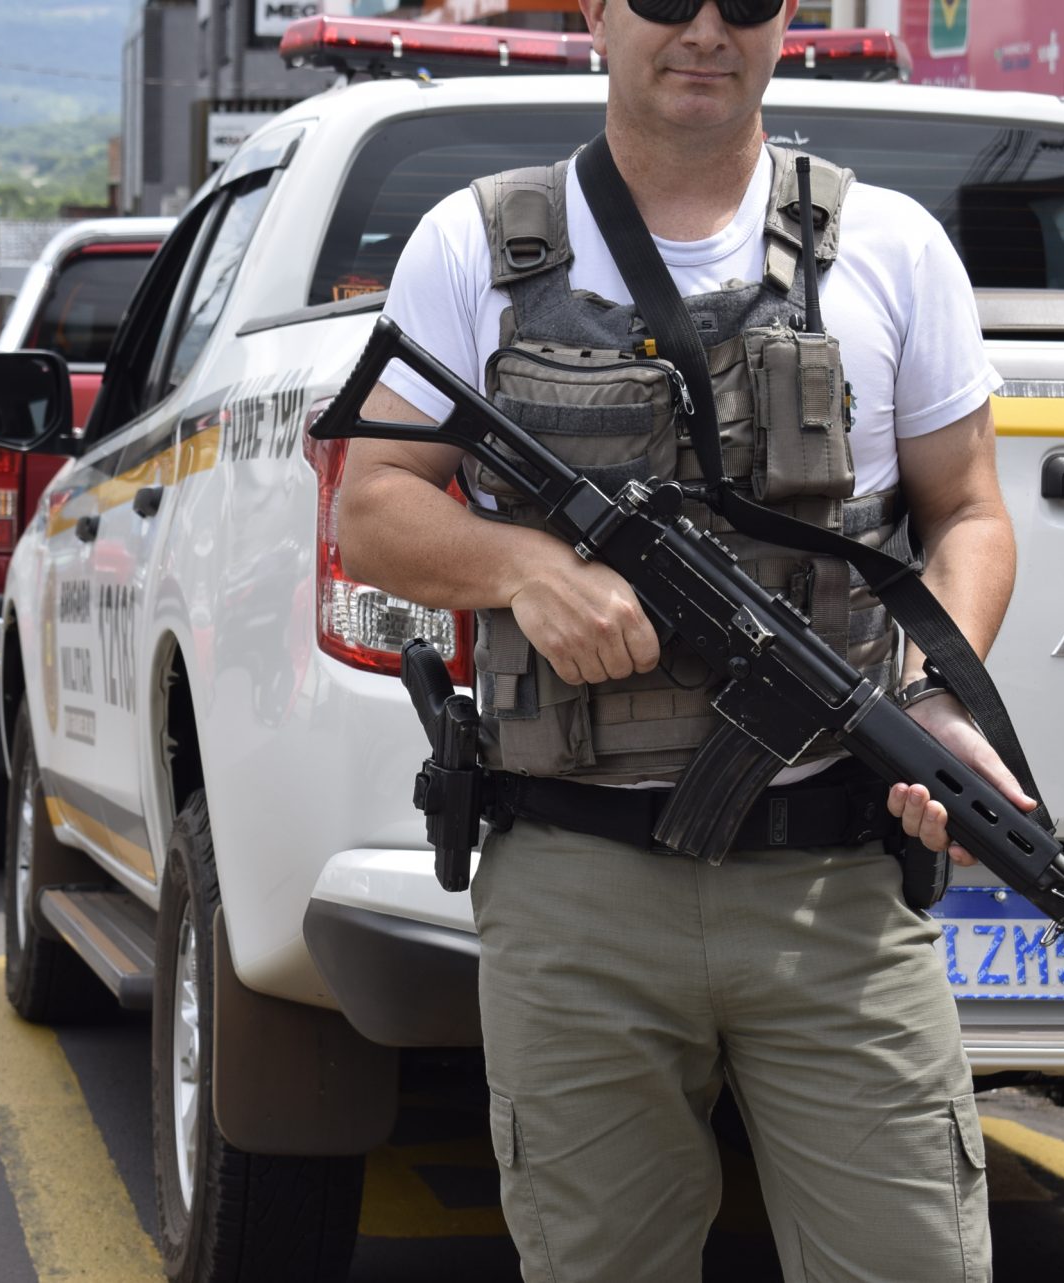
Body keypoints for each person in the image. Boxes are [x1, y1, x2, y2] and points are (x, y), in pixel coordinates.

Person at [337, 1, 1025, 1279]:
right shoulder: (476, 247)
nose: (705, 29)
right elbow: (373, 506)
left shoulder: (892, 246)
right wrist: (527, 567)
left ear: (786, 19)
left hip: (833, 883)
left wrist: (937, 691)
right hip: (577, 885)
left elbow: (970, 513)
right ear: (597, 13)